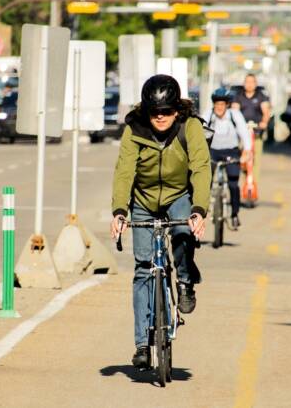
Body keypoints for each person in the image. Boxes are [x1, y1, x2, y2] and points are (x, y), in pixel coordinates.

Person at [110, 74, 211, 369]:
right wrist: (119, 212)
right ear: (146, 111)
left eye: (166, 111)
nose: (161, 117)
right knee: (143, 268)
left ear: (176, 109)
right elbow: (124, 172)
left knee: (182, 232)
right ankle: (142, 343)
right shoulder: (134, 130)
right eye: (155, 112)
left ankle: (184, 280)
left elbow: (201, 168)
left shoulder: (189, 127)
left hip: (178, 195)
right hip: (143, 200)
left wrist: (199, 210)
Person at [204, 88, 251, 230]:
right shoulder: (209, 114)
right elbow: (199, 129)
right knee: (205, 182)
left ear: (227, 105)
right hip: (213, 151)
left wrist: (246, 151)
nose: (219, 107)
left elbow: (243, 131)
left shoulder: (234, 115)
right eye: (217, 104)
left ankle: (235, 214)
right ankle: (202, 214)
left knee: (233, 184)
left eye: (222, 104)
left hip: (232, 151)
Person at [231, 74, 271, 179]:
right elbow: (235, 110)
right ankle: (244, 183)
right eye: (247, 82)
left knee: (255, 159)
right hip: (242, 134)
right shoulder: (238, 96)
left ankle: (254, 185)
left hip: (256, 133)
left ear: (255, 84)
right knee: (242, 158)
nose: (249, 84)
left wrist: (264, 122)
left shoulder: (261, 96)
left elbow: (266, 112)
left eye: (251, 82)